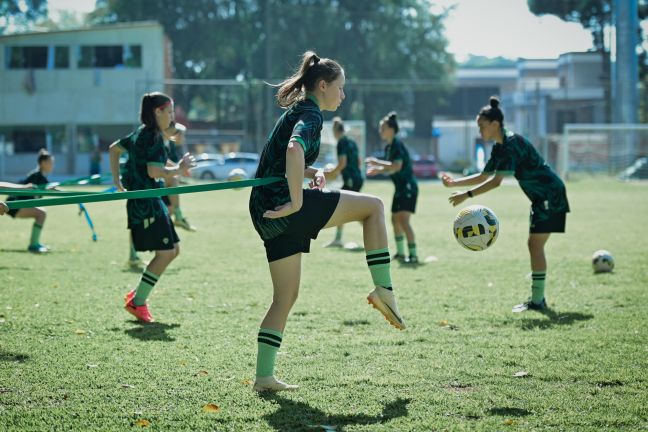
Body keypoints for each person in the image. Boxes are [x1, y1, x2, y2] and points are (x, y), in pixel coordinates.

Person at [249, 51, 406, 392]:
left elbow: (284, 160)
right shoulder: (312, 115)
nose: (343, 95)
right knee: (375, 207)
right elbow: (293, 150)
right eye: (341, 88)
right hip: (282, 207)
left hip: (264, 212)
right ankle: (384, 290)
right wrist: (296, 201)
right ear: (323, 86)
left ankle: (263, 378)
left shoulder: (296, 111)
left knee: (284, 297)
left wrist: (310, 172)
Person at [441, 96, 570, 313]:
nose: (479, 131)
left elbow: (496, 181)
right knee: (534, 245)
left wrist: (467, 195)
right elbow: (484, 175)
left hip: (550, 194)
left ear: (495, 124)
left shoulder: (512, 144)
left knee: (535, 245)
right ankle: (538, 299)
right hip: (541, 197)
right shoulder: (500, 147)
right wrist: (455, 182)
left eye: (482, 126)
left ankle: (538, 300)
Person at [109, 92, 195, 323]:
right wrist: (179, 168)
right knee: (166, 253)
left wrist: (117, 180)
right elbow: (154, 172)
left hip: (151, 200)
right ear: (157, 112)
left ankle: (138, 295)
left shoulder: (141, 132)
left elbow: (114, 149)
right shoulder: (154, 136)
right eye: (169, 112)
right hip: (146, 204)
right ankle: (138, 302)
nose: (171, 117)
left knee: (173, 250)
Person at [366, 112, 419, 264]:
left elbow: (397, 166)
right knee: (395, 219)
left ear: (391, 129)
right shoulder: (390, 146)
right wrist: (378, 165)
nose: (380, 131)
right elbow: (392, 165)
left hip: (408, 186)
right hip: (400, 187)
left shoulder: (397, 144)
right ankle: (401, 253)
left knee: (403, 220)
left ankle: (413, 255)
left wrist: (378, 166)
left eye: (382, 128)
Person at [323, 117, 363, 247]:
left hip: (351, 180)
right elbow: (358, 162)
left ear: (335, 130)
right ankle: (338, 239)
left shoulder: (341, 142)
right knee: (346, 208)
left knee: (348, 209)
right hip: (357, 178)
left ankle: (374, 230)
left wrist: (329, 174)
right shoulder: (351, 141)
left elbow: (342, 163)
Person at [5, 149, 55, 253]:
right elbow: (45, 189)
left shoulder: (40, 176)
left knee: (41, 213)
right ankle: (33, 245)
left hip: (18, 205)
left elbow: (47, 189)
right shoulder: (36, 176)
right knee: (41, 213)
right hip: (14, 205)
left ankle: (35, 243)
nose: (52, 165)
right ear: (43, 163)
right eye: (50, 163)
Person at [163, 123, 196, 231]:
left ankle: (177, 217)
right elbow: (162, 162)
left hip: (164, 183)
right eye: (182, 135)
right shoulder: (165, 145)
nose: (184, 138)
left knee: (168, 211)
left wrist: (181, 171)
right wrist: (180, 169)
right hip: (155, 182)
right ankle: (178, 216)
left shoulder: (175, 148)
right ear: (174, 135)